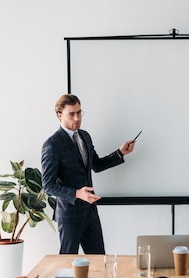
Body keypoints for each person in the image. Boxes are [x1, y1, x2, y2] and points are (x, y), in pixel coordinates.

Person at [41, 94, 135, 254]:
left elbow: (96, 165)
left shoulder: (85, 136)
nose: (77, 118)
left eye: (79, 112)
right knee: (68, 263)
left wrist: (120, 153)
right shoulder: (52, 145)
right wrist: (77, 193)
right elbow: (48, 185)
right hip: (70, 215)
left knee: (99, 260)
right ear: (59, 115)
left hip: (90, 212)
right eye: (72, 114)